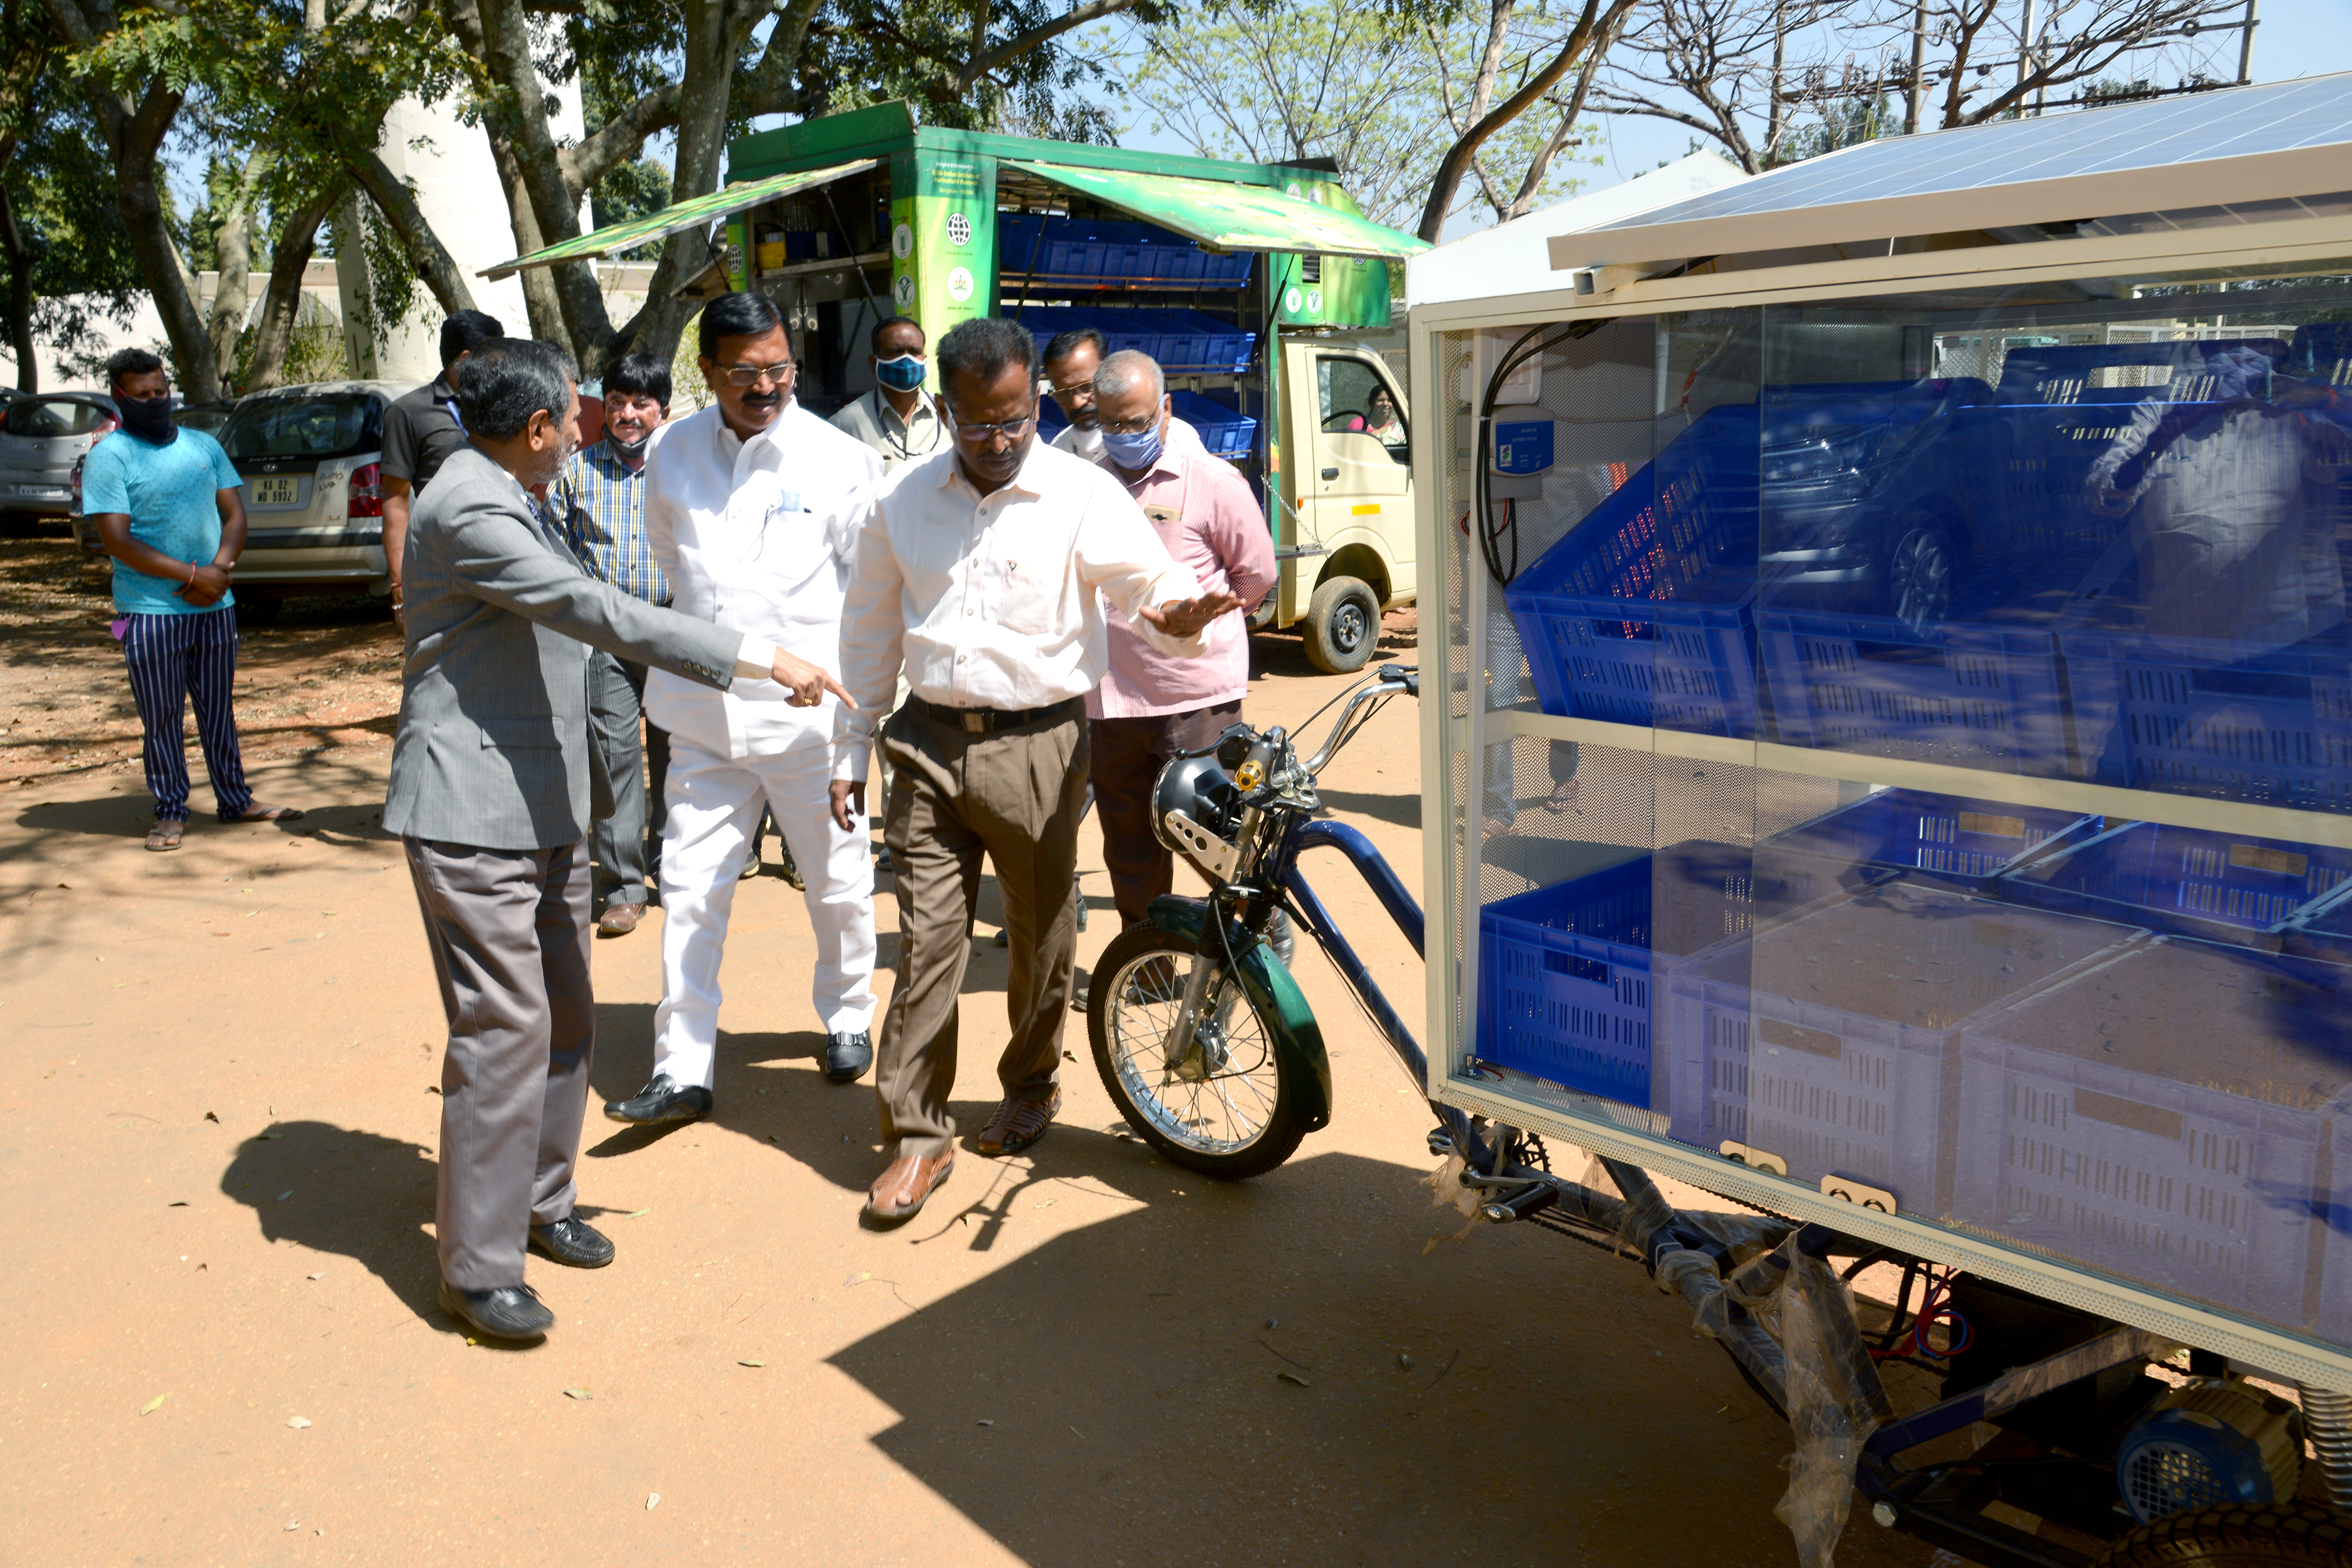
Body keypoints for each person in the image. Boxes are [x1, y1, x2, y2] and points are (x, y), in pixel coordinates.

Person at [387, 336, 850, 1343]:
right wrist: (757, 658)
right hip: (472, 813)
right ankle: (474, 1268)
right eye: (576, 418)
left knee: (564, 1017)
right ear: (542, 427)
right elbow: (596, 609)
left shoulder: (521, 488)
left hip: (542, 804)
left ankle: (542, 1202)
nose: (592, 431)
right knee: (502, 1030)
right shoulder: (469, 503)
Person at [830, 316, 1241, 1224]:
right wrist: (847, 749)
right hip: (927, 743)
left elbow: (1147, 582)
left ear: (1035, 402)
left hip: (1042, 745)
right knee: (929, 943)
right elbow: (867, 635)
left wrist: (1177, 614)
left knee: (1042, 937)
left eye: (1017, 418)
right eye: (980, 423)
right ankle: (916, 1134)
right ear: (946, 410)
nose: (1001, 439)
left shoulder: (1080, 491)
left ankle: (1029, 1081)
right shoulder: (899, 503)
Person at [601, 293, 884, 1130]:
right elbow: (672, 567)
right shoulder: (672, 452)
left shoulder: (836, 458)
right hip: (700, 721)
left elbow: (868, 592)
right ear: (709, 371)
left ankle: (846, 1015)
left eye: (778, 370)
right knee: (689, 892)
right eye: (744, 374)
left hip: (810, 720)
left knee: (836, 883)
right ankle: (682, 1066)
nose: (765, 387)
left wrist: (857, 724)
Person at [1084, 350, 1275, 939]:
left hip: (1194, 698)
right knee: (1129, 841)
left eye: (1137, 422)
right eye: (1112, 423)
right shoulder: (1089, 485)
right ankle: (1150, 959)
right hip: (1112, 700)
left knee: (1209, 828)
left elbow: (1258, 573)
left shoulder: (1210, 479)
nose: (1124, 435)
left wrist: (1211, 621)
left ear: (1165, 410)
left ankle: (1254, 931)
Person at [82, 348, 302, 851]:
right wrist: (192, 574)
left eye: (161, 391)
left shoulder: (203, 446)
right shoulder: (109, 457)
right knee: (161, 717)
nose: (156, 401)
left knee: (218, 710)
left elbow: (235, 514)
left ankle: (234, 798)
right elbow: (117, 539)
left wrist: (220, 570)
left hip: (214, 607)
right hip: (150, 612)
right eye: (143, 395)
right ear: (120, 397)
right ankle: (170, 811)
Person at [547, 351, 674, 936]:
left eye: (640, 403)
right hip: (606, 639)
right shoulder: (576, 470)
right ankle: (623, 885)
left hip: (676, 635)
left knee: (680, 757)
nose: (627, 414)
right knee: (615, 754)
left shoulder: (682, 468)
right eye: (618, 402)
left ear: (662, 411)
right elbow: (549, 543)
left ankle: (673, 867)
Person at [382, 308, 504, 621]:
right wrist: (399, 585)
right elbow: (395, 503)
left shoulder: (503, 405)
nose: (504, 364)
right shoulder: (408, 412)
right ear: (465, 358)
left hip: (505, 552)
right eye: (495, 356)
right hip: (444, 564)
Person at [830, 316, 948, 474]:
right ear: (874, 364)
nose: (906, 360)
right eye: (895, 352)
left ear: (924, 360)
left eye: (915, 352)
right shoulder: (846, 424)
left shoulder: (949, 415)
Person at [1043, 327, 1106, 463]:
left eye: (1086, 386)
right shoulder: (1058, 453)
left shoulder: (1141, 442)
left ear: (1109, 374)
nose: (1077, 403)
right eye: (1064, 393)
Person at [1360, 385, 1407, 449]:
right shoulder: (1359, 424)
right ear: (1371, 403)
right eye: (1381, 400)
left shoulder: (1399, 430)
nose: (1385, 404)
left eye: (1390, 400)